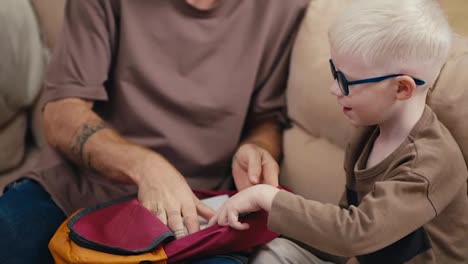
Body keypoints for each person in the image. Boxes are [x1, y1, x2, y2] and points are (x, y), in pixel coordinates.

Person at [0, 0, 309, 263]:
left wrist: (255, 147)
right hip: (74, 191)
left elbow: (267, 118)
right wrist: (146, 167)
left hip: (198, 213)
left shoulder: (283, 8)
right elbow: (61, 114)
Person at [208, 0, 468, 263]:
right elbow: (343, 227)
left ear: (401, 88)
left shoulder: (426, 166)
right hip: (358, 255)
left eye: (345, 81)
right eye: (335, 72)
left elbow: (355, 233)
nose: (334, 89)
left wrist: (269, 198)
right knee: (274, 253)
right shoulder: (367, 134)